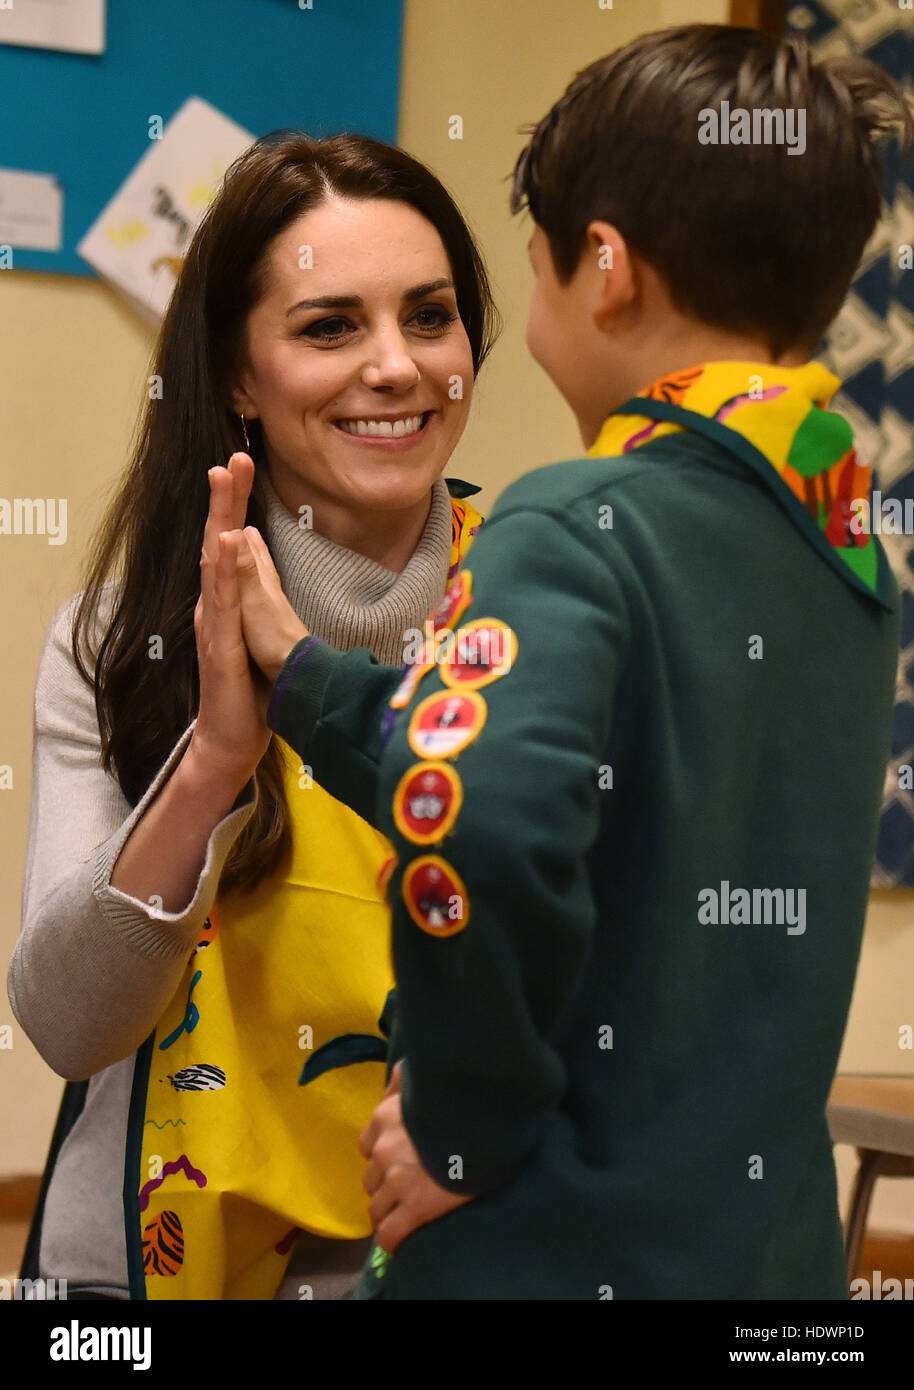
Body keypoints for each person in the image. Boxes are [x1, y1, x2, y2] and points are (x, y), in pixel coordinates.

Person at [224, 26, 911, 1298]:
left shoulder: (571, 521)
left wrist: (458, 1127)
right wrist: (310, 676)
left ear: (602, 271)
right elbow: (565, 783)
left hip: (542, 1256)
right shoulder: (848, 560)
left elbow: (472, 816)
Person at [8, 129, 496, 1300]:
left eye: (429, 317)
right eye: (329, 326)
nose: (395, 366)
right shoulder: (116, 635)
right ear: (236, 374)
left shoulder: (550, 613)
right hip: (139, 1279)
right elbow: (68, 1023)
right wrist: (218, 756)